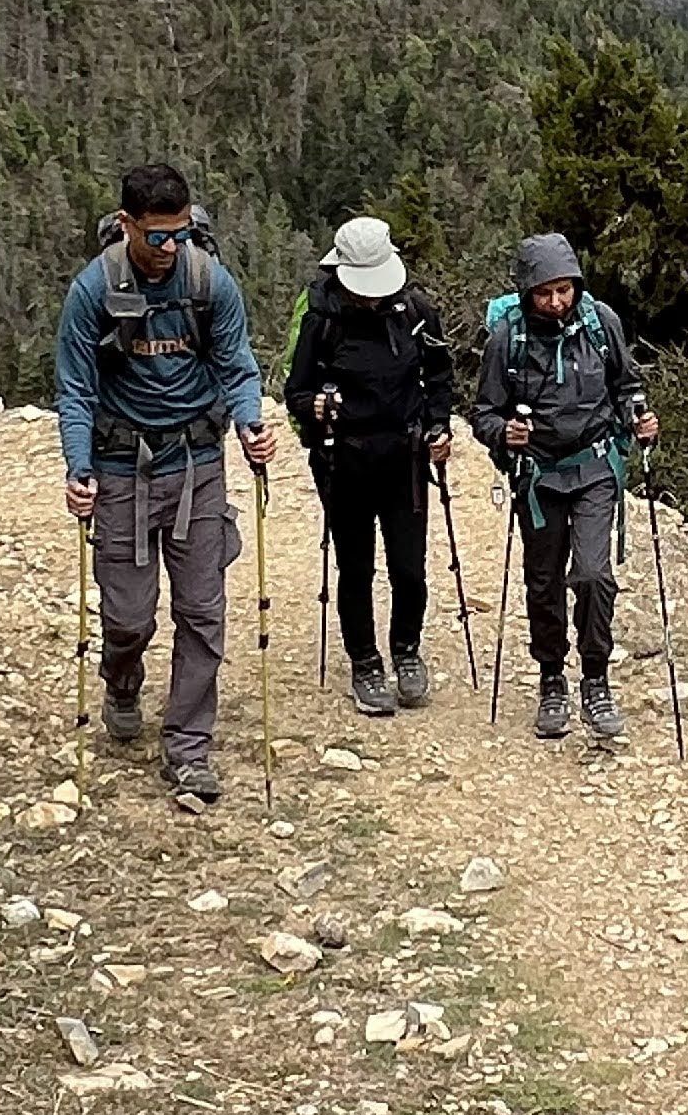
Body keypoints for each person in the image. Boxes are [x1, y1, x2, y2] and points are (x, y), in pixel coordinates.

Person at [52, 163, 274, 802]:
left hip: (198, 465)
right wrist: (79, 468)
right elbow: (76, 389)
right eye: (156, 236)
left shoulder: (210, 282)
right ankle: (122, 681)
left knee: (202, 613)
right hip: (121, 469)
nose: (170, 248)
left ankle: (188, 747)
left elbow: (238, 366)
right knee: (127, 616)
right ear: (127, 225)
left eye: (179, 234)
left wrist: (251, 424)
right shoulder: (93, 290)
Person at [473, 231, 656, 743]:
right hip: (537, 477)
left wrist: (639, 418)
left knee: (594, 575)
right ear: (527, 292)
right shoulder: (507, 339)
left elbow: (626, 385)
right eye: (544, 293)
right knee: (544, 582)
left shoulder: (601, 323)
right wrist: (504, 433)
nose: (556, 302)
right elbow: (483, 412)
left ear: (576, 284)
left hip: (595, 467)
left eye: (564, 290)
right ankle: (552, 678)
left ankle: (596, 679)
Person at [282, 217, 458, 719]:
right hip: (343, 459)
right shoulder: (320, 314)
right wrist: (315, 406)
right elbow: (295, 391)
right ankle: (365, 662)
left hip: (405, 456)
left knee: (409, 567)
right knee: (355, 567)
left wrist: (438, 426)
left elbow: (438, 375)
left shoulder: (416, 310)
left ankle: (407, 650)